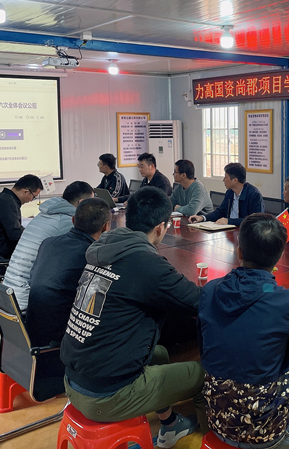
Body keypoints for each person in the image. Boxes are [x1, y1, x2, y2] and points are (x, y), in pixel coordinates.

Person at [61, 186, 205, 447]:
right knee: (203, 374)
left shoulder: (103, 250)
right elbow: (199, 302)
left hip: (73, 381)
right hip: (105, 395)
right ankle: (209, 437)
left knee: (159, 354)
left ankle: (170, 424)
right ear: (160, 228)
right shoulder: (147, 264)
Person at [199, 213, 289, 449]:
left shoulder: (211, 290)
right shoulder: (287, 301)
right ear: (279, 256)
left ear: (240, 252)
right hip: (266, 428)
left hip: (217, 418)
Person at [25, 197, 111, 347]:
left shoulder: (48, 243)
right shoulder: (93, 257)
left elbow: (32, 280)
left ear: (73, 220)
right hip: (62, 340)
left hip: (32, 331)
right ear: (106, 227)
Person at [2, 181, 95, 310]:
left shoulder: (43, 215)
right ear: (81, 203)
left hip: (9, 290)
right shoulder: (66, 222)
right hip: (26, 297)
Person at [0, 174, 43, 260]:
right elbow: (15, 235)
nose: (31, 200)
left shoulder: (1, 197)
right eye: (33, 197)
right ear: (25, 192)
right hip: (1, 252)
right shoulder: (8, 203)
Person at [188, 163, 264, 227]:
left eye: (226, 177)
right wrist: (202, 217)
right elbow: (220, 212)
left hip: (245, 233)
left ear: (235, 180)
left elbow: (255, 220)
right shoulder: (230, 192)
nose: (223, 180)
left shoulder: (254, 194)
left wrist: (229, 221)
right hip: (229, 230)